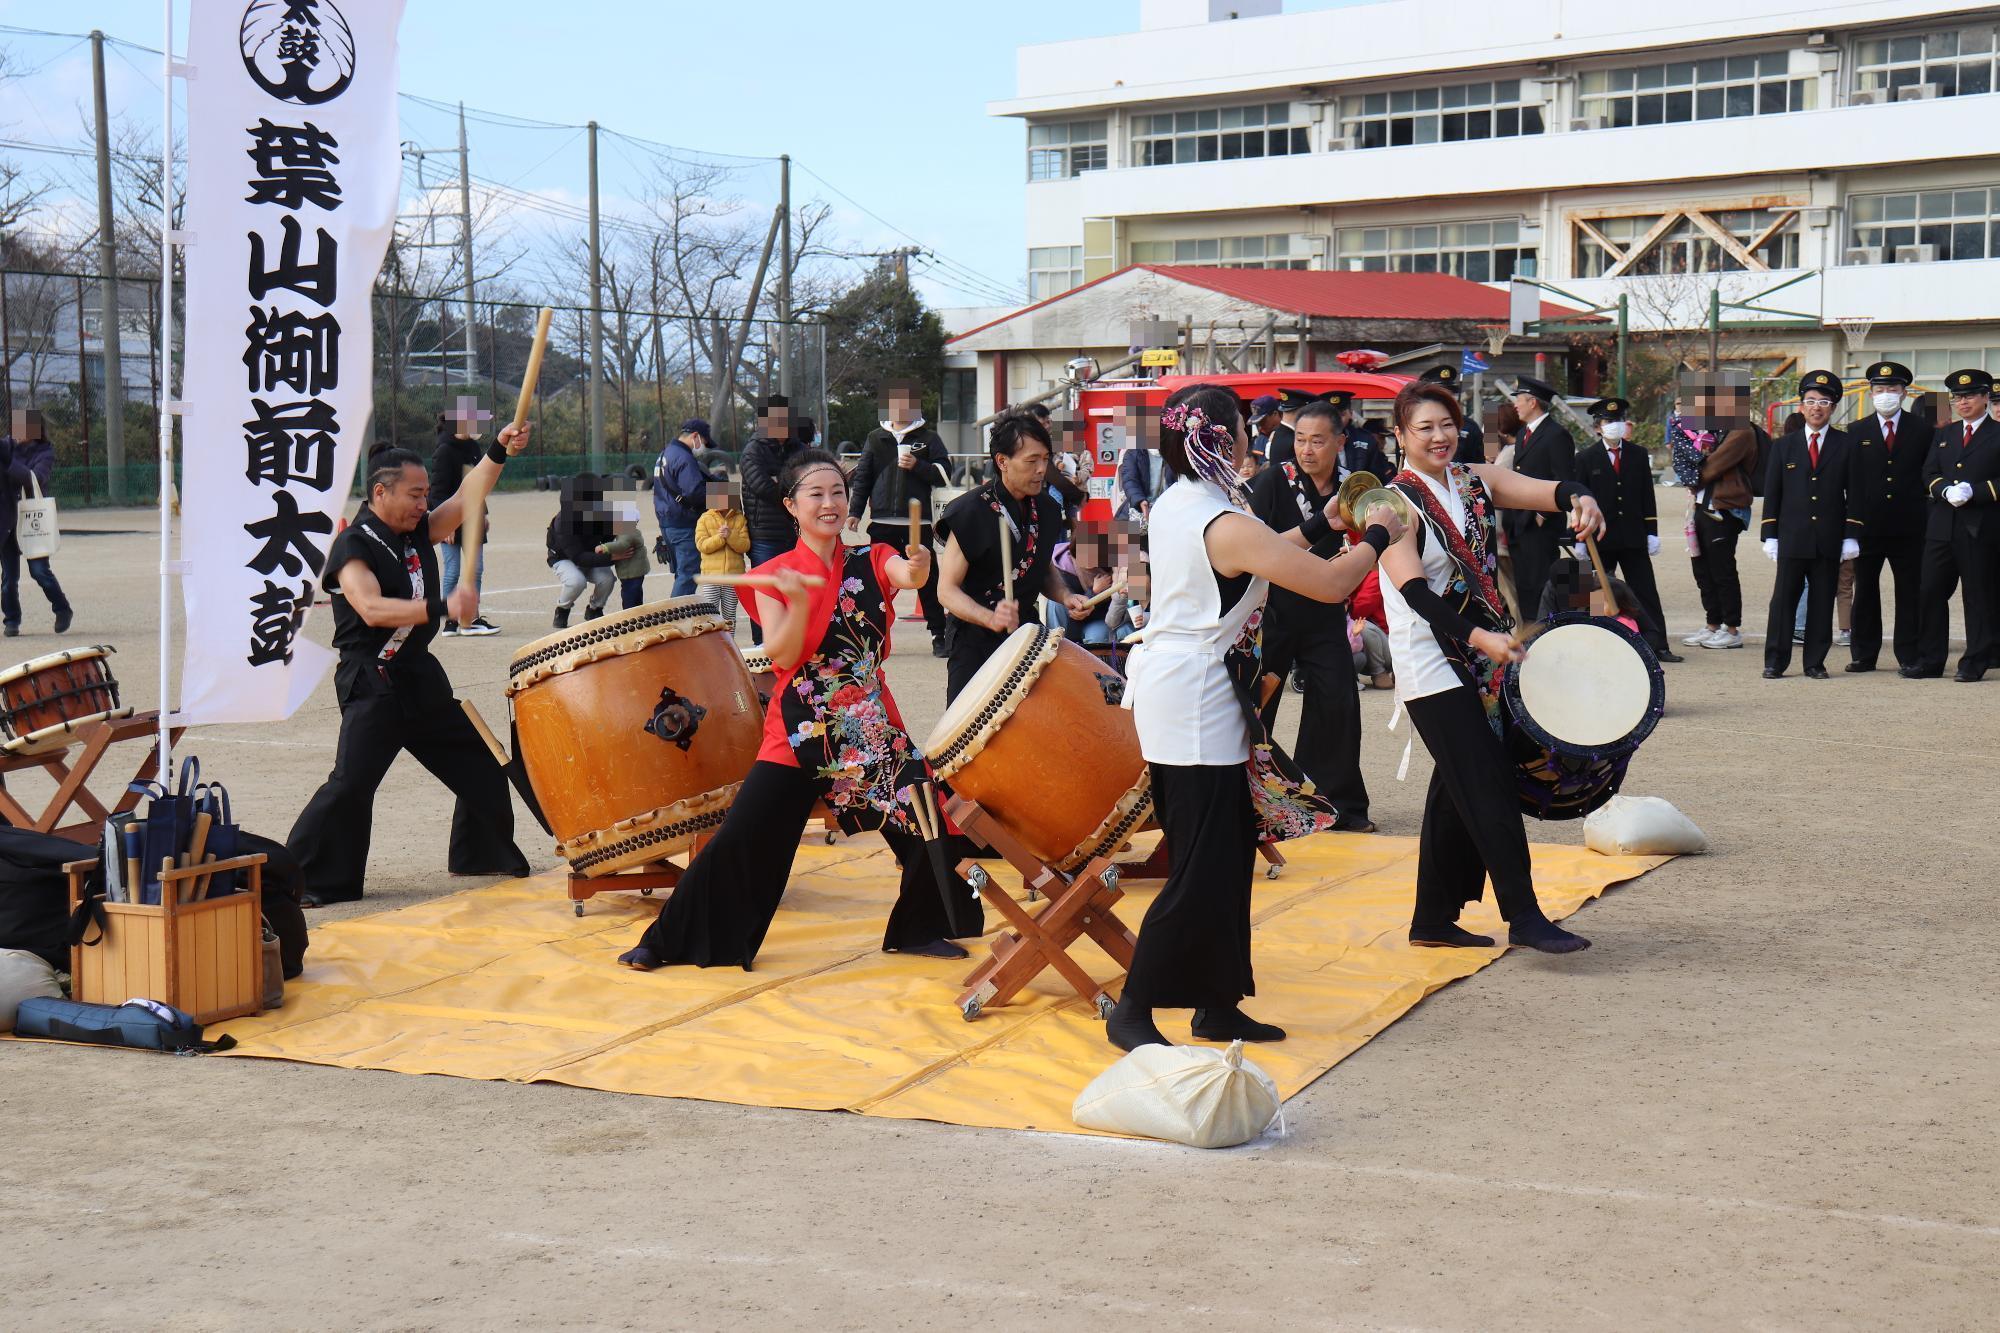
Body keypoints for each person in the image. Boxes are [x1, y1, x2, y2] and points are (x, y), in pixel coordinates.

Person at [1107, 382, 1407, 1052]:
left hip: (1193, 685)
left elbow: (1266, 549)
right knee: (1201, 862)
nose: (1254, 435)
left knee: (1230, 849)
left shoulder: (1191, 501)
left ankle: (1217, 1000)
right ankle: (1132, 1006)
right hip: (1192, 697)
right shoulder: (1221, 518)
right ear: (1220, 439)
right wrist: (1380, 532)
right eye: (1242, 426)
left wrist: (1331, 521)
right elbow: (1327, 583)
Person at [616, 448, 983, 972]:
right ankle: (665, 942)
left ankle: (919, 928)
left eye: (837, 492)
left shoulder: (872, 557)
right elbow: (785, 656)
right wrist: (797, 599)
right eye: (816, 494)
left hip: (868, 726)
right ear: (791, 505)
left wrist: (921, 564)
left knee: (932, 813)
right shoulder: (772, 574)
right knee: (744, 839)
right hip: (800, 728)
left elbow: (909, 576)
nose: (830, 503)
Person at [1376, 380, 1608, 954]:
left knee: (1458, 782)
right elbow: (1414, 593)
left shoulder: (1474, 480)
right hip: (1431, 658)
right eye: (1424, 428)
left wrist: (1582, 497)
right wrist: (1481, 635)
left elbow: (1548, 490)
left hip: (1484, 654)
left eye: (1447, 424)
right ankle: (1524, 916)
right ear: (1400, 436)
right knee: (1485, 782)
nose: (1439, 436)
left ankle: (1432, 918)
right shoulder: (1386, 504)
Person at [285, 435, 534, 906]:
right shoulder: (353, 546)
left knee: (480, 760)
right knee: (352, 784)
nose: (424, 503)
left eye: (425, 495)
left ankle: (479, 854)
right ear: (382, 493)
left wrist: (500, 449)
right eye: (415, 495)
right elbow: (373, 608)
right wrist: (444, 604)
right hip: (372, 681)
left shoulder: (414, 531)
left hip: (418, 676)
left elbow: (467, 496)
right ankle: (301, 879)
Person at [1248, 399, 1374, 831]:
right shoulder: (1271, 483)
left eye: (1318, 440)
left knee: (1337, 702)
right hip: (1274, 611)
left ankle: (1334, 804)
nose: (1306, 449)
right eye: (1300, 439)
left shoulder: (1356, 490)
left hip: (1324, 610)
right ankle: (1255, 804)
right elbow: (1256, 549)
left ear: (1340, 442)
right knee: (1258, 706)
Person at [934, 410, 1086, 703]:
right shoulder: (969, 512)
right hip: (974, 637)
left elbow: (1040, 568)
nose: (1042, 469)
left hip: (1026, 631)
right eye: (1031, 461)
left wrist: (1066, 596)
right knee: (966, 730)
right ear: (1002, 461)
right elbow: (947, 590)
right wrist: (989, 618)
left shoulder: (1048, 509)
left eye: (1045, 459)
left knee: (1039, 720)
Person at [1760, 371, 1860, 680]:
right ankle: (1775, 660)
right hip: (1792, 537)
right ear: (1802, 406)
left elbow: (1856, 493)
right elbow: (1773, 493)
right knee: (1783, 601)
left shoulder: (1846, 444)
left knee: (1821, 601)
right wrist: (1770, 534)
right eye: (1811, 401)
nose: (1817, 407)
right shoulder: (1783, 446)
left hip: (1829, 538)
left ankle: (1815, 661)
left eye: (1824, 402)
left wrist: (1851, 535)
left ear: (1833, 407)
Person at [846, 380, 952, 657]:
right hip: (882, 521)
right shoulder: (875, 438)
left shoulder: (928, 437)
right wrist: (855, 512)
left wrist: (919, 466)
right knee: (876, 579)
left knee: (927, 579)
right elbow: (863, 478)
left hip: (918, 522)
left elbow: (944, 472)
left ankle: (939, 634)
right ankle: (872, 633)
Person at [1570, 397, 1681, 661]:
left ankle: (1658, 644)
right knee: (1598, 592)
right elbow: (1577, 500)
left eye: (1618, 420)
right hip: (1600, 537)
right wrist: (1580, 539)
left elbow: (1646, 496)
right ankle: (1597, 643)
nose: (1615, 426)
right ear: (1598, 427)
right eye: (1609, 421)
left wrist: (1651, 530)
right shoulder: (1585, 458)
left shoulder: (1638, 454)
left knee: (1645, 591)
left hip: (1633, 535)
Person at [1843, 362, 1934, 673]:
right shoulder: (1855, 431)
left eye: (1892, 390)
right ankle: (1863, 654)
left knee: (1910, 591)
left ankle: (1909, 653)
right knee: (1865, 590)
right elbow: (1851, 481)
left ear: (1904, 393)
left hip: (1910, 525)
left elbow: (1927, 474)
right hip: (1868, 525)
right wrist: (1850, 526)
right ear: (1870, 394)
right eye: (1879, 390)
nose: (1886, 395)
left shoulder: (1922, 430)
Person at [1911, 367, 2000, 682]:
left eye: (1970, 396)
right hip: (1942, 524)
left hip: (1980, 525)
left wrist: (1975, 492)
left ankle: (1975, 661)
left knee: (1977, 595)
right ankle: (1930, 659)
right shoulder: (1945, 434)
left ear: (1985, 397)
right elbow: (1929, 471)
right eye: (1958, 397)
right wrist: (1944, 488)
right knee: (1930, 590)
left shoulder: (1997, 433)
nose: (1963, 402)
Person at [1681, 383, 1760, 651]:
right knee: (1702, 568)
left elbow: (1713, 466)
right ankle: (1712, 624)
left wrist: (1690, 473)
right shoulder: (1716, 430)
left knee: (1722, 568)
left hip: (1725, 507)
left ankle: (1732, 627)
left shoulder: (1741, 431)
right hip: (1703, 505)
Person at [1502, 376, 1574, 620]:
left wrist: (1544, 513)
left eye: (1519, 400)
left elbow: (1562, 479)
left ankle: (1545, 632)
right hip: (1518, 522)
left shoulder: (1556, 435)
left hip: (1541, 525)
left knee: (1540, 584)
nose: (1516, 406)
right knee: (1524, 586)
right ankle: (1530, 635)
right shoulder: (1524, 433)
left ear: (1532, 402)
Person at [428, 399, 499, 637]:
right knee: (453, 570)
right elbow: (437, 491)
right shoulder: (444, 450)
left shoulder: (473, 448)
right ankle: (451, 620)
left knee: (476, 569)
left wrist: (483, 513)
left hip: (473, 516)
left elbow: (478, 482)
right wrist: (444, 524)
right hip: (450, 517)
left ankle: (471, 619)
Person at [0, 410, 72, 637]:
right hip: (6, 520)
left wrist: (10, 464)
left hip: (33, 521)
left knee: (39, 571)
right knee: (9, 578)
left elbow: (35, 478)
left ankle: (62, 609)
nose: (16, 432)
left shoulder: (45, 452)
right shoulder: (6, 447)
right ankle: (12, 620)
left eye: (22, 427)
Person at [739, 396, 803, 645]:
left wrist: (781, 480)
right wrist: (789, 485)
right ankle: (762, 646)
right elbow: (763, 487)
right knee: (765, 591)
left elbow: (808, 480)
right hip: (764, 533)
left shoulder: (798, 448)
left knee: (796, 590)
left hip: (796, 531)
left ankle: (794, 643)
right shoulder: (752, 450)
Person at [546, 473, 616, 628]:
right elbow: (578, 557)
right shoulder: (564, 519)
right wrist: (613, 557)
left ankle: (594, 609)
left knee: (607, 579)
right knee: (576, 581)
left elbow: (610, 538)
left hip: (588, 554)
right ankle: (562, 609)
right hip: (563, 558)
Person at [653, 419, 711, 599]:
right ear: (695, 436)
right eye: (704, 442)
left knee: (681, 574)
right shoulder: (684, 457)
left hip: (667, 522)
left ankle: (675, 615)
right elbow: (695, 492)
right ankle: (673, 620)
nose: (704, 447)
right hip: (683, 524)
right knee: (688, 575)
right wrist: (724, 492)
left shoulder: (665, 453)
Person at [695, 480, 751, 633]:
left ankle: (729, 648)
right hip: (711, 577)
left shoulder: (740, 519)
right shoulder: (704, 519)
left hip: (733, 577)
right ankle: (713, 650)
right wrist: (720, 538)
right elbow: (702, 545)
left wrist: (730, 536)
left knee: (729, 616)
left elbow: (745, 546)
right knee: (710, 616)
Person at [1421, 365, 1486, 465]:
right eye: (1440, 395)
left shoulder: (1469, 426)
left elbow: (1479, 465)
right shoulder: (1415, 426)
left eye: (1449, 395)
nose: (1446, 400)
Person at [597, 500, 652, 610]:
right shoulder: (631, 531)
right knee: (635, 592)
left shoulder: (627, 533)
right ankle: (637, 611)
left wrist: (604, 547)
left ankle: (629, 613)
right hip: (635, 570)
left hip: (631, 572)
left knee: (629, 594)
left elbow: (621, 545)